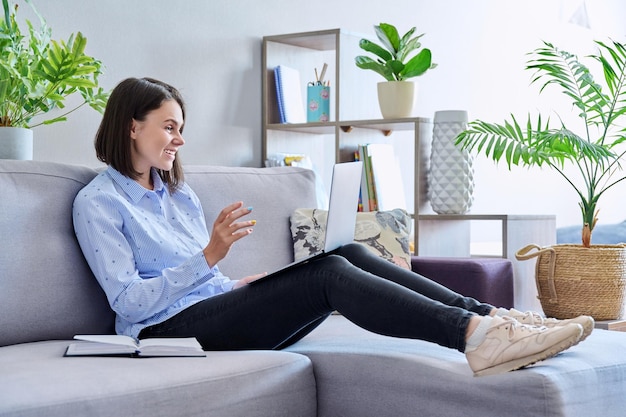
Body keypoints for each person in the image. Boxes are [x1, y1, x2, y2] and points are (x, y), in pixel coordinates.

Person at [73, 77, 593, 377]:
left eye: (181, 129)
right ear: (130, 126)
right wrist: (209, 256)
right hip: (164, 336)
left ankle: (494, 318)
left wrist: (238, 285)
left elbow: (206, 287)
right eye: (169, 126)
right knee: (326, 278)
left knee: (345, 257)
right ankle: (477, 339)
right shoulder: (97, 203)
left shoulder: (176, 193)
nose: (178, 140)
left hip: (208, 311)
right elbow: (130, 304)